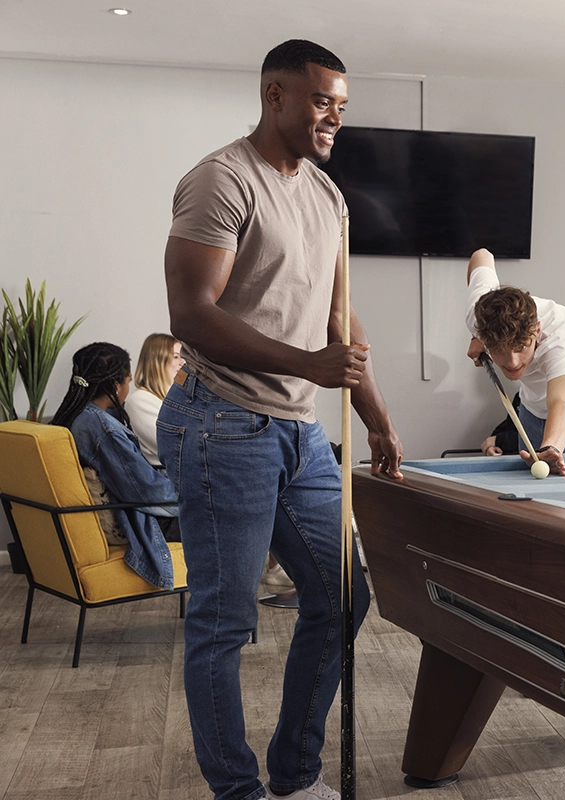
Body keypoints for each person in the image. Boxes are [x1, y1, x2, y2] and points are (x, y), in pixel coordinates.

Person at [159, 39, 403, 800]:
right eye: (320, 100)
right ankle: (241, 792)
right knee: (225, 621)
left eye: (341, 105)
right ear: (274, 96)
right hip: (219, 423)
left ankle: (295, 778)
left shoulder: (328, 197)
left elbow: (340, 320)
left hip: (301, 434)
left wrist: (377, 418)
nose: (333, 117)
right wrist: (306, 368)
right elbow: (189, 315)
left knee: (345, 597)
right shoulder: (222, 180)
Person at [465, 247, 565, 477]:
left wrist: (551, 447)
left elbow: (563, 403)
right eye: (500, 351)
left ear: (536, 330)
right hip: (532, 402)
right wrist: (478, 338)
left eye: (520, 348)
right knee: (528, 479)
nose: (512, 362)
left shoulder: (561, 340)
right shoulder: (479, 316)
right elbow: (482, 255)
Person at [49, 342, 180, 590]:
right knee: (226, 515)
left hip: (131, 508)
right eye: (128, 381)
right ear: (114, 385)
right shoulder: (101, 428)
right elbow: (145, 491)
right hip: (133, 518)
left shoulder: (78, 416)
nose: (128, 388)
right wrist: (193, 496)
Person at [123, 332, 185, 467]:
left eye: (183, 357)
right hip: (169, 477)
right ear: (156, 361)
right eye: (176, 357)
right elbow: (174, 446)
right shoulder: (139, 400)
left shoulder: (180, 397)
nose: (183, 363)